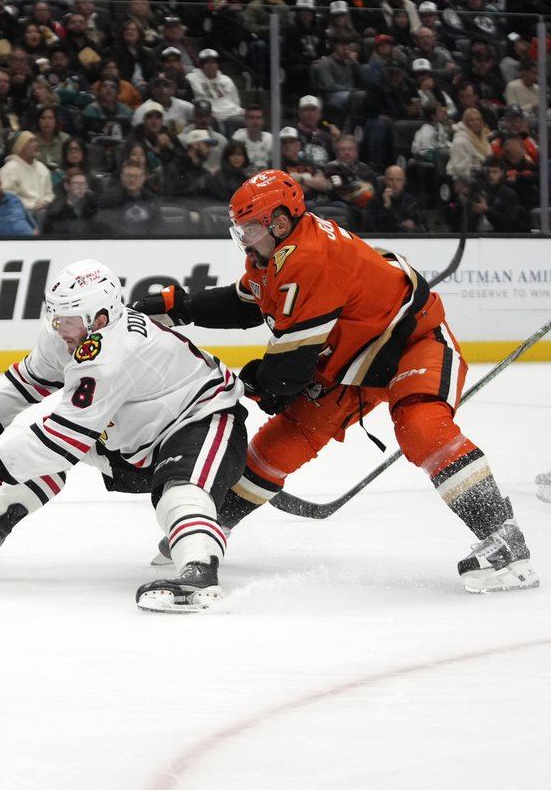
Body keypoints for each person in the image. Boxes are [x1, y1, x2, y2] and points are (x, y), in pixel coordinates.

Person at [131, 170, 538, 594]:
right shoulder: (276, 255)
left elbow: (285, 373)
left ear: (280, 221)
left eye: (250, 228)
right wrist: (181, 306)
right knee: (279, 444)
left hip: (412, 341)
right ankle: (210, 530)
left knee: (421, 426)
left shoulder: (307, 258)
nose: (244, 238)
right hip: (353, 360)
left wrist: (252, 383)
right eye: (241, 229)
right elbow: (243, 304)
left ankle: (505, 539)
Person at [0, 260, 248, 612]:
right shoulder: (70, 333)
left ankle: (198, 574)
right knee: (50, 444)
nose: (59, 326)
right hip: (132, 435)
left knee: (178, 494)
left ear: (101, 318)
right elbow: (27, 382)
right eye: (55, 315)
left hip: (200, 420)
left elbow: (61, 441)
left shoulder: (113, 353)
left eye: (69, 318)